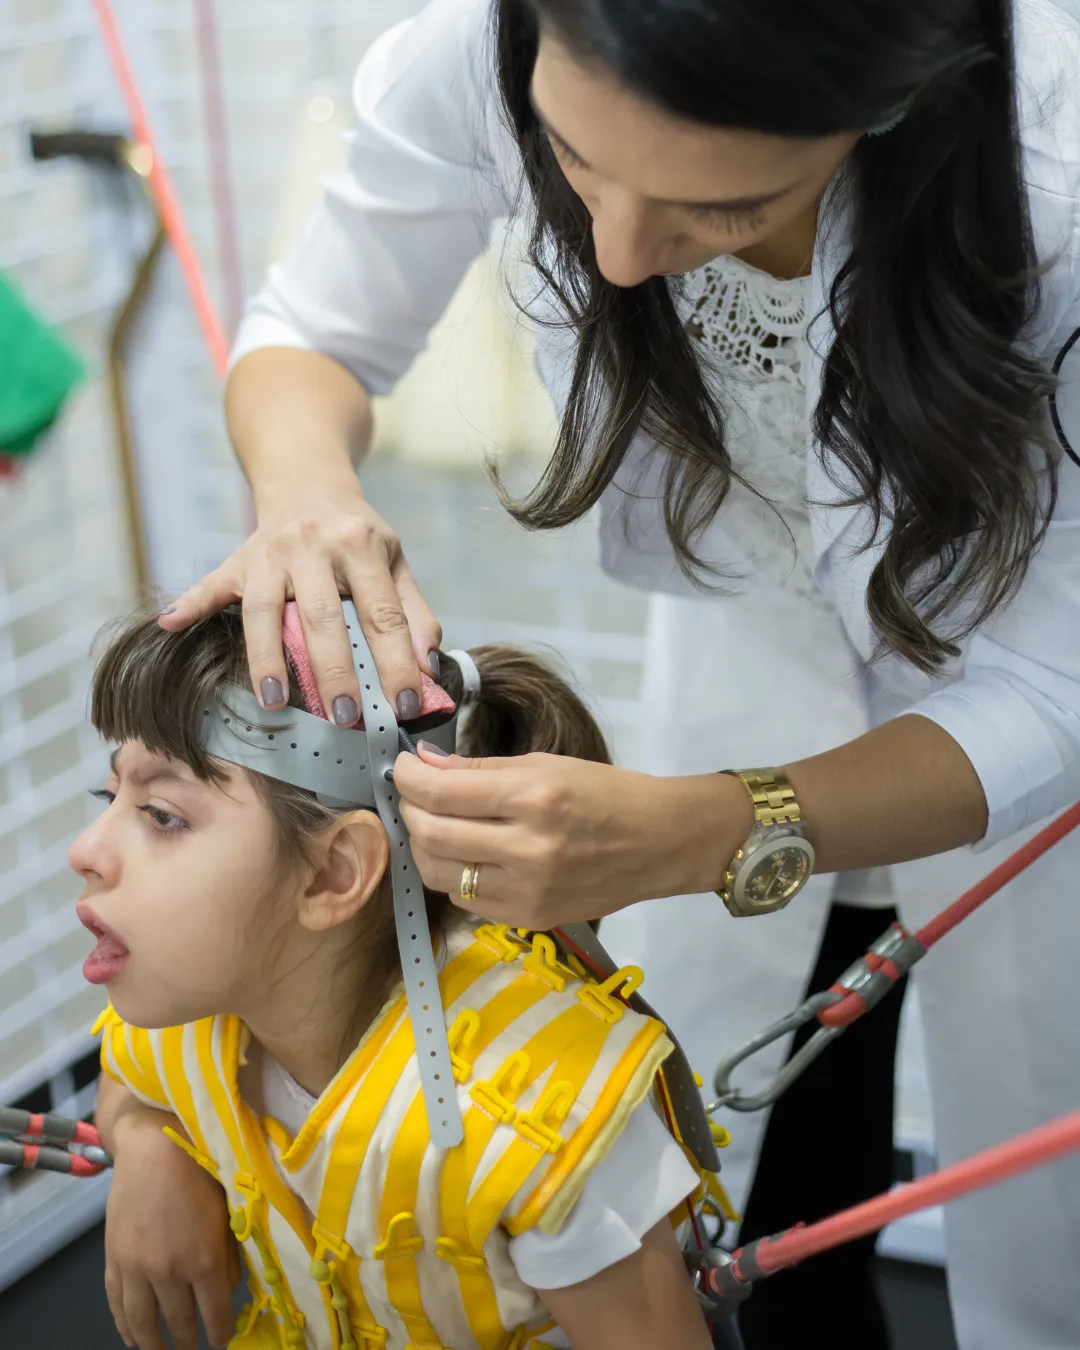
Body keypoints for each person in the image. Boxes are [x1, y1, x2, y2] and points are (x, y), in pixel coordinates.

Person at [158, 1, 1080, 1346]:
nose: (617, 255)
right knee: (740, 1143)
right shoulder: (482, 53)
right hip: (750, 643)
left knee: (1039, 1194)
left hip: (1030, 713)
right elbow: (314, 327)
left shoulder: (1051, 185)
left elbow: (1049, 689)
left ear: (886, 105)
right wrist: (301, 491)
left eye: (722, 204)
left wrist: (705, 828)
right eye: (573, 164)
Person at [78, 605, 715, 1350]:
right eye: (108, 797)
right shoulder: (193, 1007)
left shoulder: (541, 1114)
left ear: (331, 875)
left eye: (159, 815)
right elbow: (133, 1077)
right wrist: (147, 1146)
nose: (86, 850)